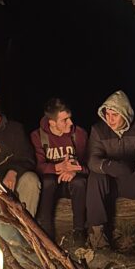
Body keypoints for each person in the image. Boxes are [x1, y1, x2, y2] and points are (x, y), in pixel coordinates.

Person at [86, 90, 135, 250]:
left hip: (133, 180)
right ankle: (97, 235)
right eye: (107, 114)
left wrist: (134, 165)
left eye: (114, 115)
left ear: (125, 114)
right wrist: (107, 165)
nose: (109, 119)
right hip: (111, 182)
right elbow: (93, 159)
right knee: (95, 177)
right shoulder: (98, 129)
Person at [30, 98, 88, 244]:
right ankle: (46, 233)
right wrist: (58, 167)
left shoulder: (79, 134)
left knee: (79, 182)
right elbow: (37, 166)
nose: (71, 123)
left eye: (70, 118)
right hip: (52, 184)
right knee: (47, 181)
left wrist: (74, 170)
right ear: (52, 123)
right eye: (65, 120)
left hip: (72, 182)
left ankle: (79, 231)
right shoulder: (38, 136)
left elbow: (88, 165)